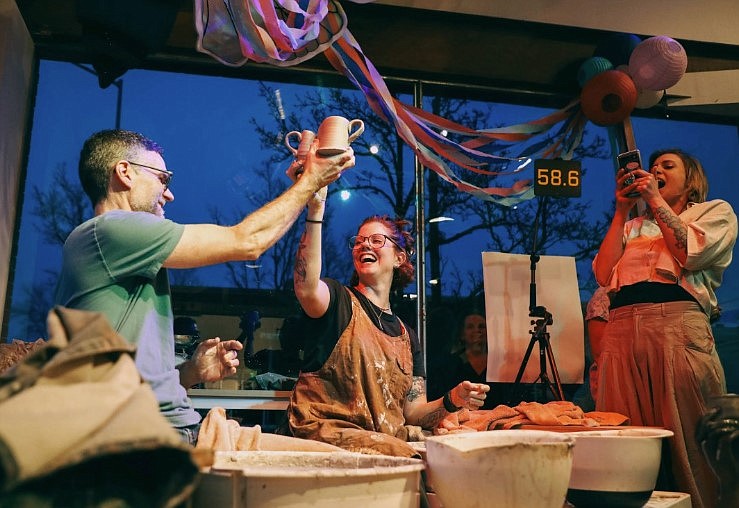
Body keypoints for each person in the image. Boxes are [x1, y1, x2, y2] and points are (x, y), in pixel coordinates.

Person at [54, 129, 355, 445]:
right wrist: (310, 180)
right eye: (163, 179)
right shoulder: (111, 230)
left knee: (323, 458)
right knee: (333, 465)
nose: (169, 194)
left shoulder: (118, 250)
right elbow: (247, 241)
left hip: (170, 429)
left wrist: (191, 371)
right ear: (125, 173)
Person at [285, 199, 490, 457]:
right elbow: (305, 287)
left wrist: (452, 400)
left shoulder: (407, 337)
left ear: (399, 257)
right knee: (411, 458)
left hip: (380, 444)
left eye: (376, 240)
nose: (364, 245)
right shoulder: (337, 302)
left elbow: (413, 412)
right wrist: (315, 211)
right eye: (359, 241)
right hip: (326, 437)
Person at [593, 148, 737, 508]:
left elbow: (690, 253)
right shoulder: (632, 227)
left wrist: (654, 198)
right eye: (653, 167)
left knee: (692, 440)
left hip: (676, 324)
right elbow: (602, 274)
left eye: (667, 167)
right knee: (624, 442)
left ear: (691, 181)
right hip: (622, 328)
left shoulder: (714, 212)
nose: (655, 170)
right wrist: (621, 211)